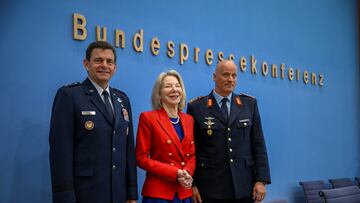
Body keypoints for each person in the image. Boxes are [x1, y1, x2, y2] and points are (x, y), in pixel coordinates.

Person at [49, 41, 138, 203]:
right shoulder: (70, 96)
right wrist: (64, 197)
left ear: (115, 67)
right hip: (85, 194)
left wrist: (131, 192)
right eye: (98, 60)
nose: (104, 65)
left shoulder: (122, 100)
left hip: (118, 193)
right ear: (86, 64)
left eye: (109, 62)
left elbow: (128, 150)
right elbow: (60, 153)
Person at [187, 60, 271, 203]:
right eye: (226, 75)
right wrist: (192, 185)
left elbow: (258, 145)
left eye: (234, 75)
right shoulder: (197, 107)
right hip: (209, 189)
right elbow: (190, 149)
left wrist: (261, 180)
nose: (231, 79)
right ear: (214, 77)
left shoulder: (249, 104)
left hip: (244, 187)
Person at [136, 70, 196, 203]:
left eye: (177, 85)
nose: (174, 90)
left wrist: (187, 173)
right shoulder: (148, 118)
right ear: (159, 94)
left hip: (184, 192)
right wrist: (175, 173)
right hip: (159, 193)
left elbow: (191, 155)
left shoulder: (189, 119)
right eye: (168, 86)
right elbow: (141, 158)